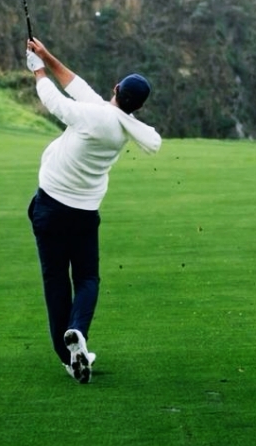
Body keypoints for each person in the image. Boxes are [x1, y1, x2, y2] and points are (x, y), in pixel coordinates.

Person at [25, 35, 162, 384]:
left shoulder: (93, 117)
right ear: (138, 107)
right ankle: (78, 334)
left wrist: (38, 71)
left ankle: (67, 356)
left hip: (50, 207)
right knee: (87, 279)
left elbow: (56, 102)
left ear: (116, 88)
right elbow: (77, 86)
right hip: (84, 215)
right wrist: (46, 56)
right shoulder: (118, 126)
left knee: (56, 281)